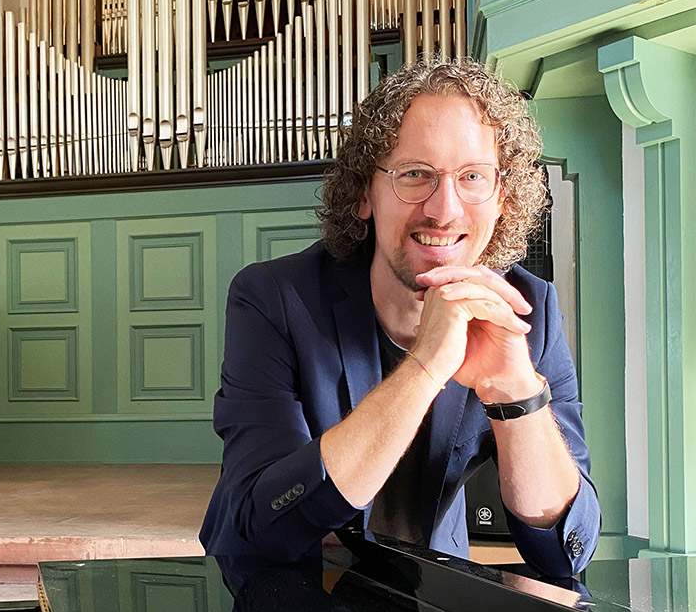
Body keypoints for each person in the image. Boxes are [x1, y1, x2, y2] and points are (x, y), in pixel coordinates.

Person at [199, 58, 600, 578]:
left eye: (472, 177)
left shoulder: (528, 309)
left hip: (425, 594)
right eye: (416, 175)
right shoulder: (273, 298)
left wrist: (516, 390)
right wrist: (427, 366)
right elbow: (269, 522)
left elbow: (566, 551)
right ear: (364, 193)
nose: (444, 210)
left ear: (502, 199)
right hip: (274, 592)